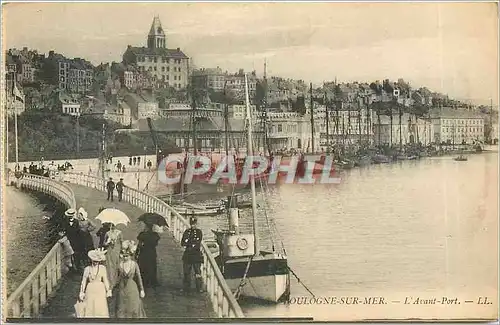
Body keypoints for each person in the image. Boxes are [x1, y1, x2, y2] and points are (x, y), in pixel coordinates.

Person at [77, 248, 112, 318]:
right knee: (90, 305)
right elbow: (84, 281)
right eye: (94, 261)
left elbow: (105, 280)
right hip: (90, 289)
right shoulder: (87, 269)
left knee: (100, 306)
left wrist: (108, 290)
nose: (96, 262)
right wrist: (82, 292)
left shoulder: (102, 268)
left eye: (97, 261)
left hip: (100, 289)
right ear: (91, 260)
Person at [115, 240, 146, 318]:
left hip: (132, 288)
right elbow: (116, 278)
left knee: (133, 306)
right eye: (124, 256)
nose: (125, 258)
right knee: (121, 307)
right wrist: (110, 288)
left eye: (127, 256)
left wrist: (142, 290)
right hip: (122, 289)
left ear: (130, 256)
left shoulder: (134, 264)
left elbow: (139, 277)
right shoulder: (120, 264)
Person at [181, 216, 204, 293]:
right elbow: (183, 242)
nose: (192, 226)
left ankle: (199, 287)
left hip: (196, 255)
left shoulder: (199, 232)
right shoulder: (187, 232)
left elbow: (198, 242)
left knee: (197, 272)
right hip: (188, 255)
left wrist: (189, 243)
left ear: (196, 224)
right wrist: (191, 243)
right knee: (186, 272)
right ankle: (186, 287)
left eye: (194, 224)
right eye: (191, 224)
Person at [137, 223, 160, 288]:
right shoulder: (155, 235)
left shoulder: (142, 234)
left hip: (144, 252)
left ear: (146, 227)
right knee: (152, 266)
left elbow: (139, 245)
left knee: (143, 266)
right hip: (152, 252)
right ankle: (152, 281)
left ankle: (143, 281)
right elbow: (156, 244)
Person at [103, 223, 122, 289]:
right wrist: (108, 242)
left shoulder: (119, 233)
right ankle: (110, 282)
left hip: (117, 251)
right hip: (110, 251)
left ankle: (116, 281)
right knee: (110, 266)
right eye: (111, 225)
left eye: (113, 225)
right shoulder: (107, 233)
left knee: (116, 266)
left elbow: (121, 242)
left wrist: (121, 252)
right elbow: (104, 243)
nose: (112, 226)